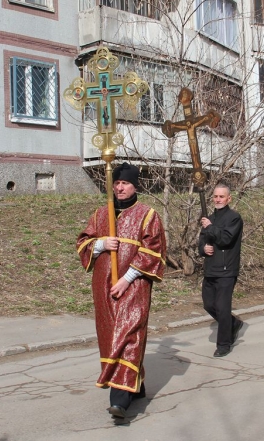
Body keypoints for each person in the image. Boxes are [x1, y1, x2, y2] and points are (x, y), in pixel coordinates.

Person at [76, 162, 167, 420]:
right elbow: (83, 242)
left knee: (128, 335)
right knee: (109, 336)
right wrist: (101, 243)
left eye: (124, 183)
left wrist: (127, 279)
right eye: (116, 183)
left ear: (134, 185)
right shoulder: (100, 214)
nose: (119, 188)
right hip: (103, 287)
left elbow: (153, 252)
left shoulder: (148, 215)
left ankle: (119, 400)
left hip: (133, 286)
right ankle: (134, 385)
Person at [199, 184, 244, 357]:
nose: (218, 199)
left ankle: (224, 344)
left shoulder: (234, 218)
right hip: (211, 268)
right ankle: (232, 323)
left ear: (228, 198)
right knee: (209, 304)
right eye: (216, 196)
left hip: (227, 269)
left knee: (222, 307)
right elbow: (201, 241)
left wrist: (210, 227)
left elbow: (226, 239)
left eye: (221, 196)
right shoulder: (209, 218)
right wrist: (203, 249)